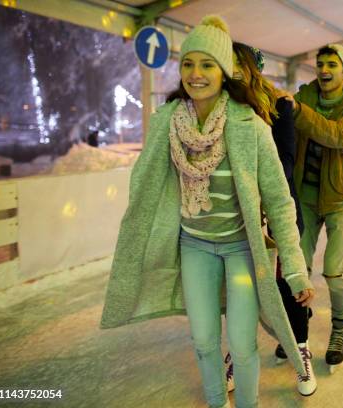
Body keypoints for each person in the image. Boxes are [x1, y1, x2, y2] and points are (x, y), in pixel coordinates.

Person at [100, 15, 314, 408]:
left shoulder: (250, 126)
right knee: (202, 342)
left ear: (224, 71)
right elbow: (145, 186)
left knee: (243, 344)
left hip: (241, 253)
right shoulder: (167, 121)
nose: (195, 74)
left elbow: (280, 201)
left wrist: (296, 268)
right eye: (187, 64)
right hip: (194, 247)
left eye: (206, 64)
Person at [224, 41, 317, 397]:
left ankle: (302, 351)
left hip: (277, 213)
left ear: (251, 68)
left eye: (237, 65)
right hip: (238, 219)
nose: (231, 73)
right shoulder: (219, 109)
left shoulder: (279, 106)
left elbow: (286, 159)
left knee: (287, 287)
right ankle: (237, 352)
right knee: (241, 289)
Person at [287, 44, 343, 372]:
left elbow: (338, 135)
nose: (324, 70)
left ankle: (339, 327)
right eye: (320, 64)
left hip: (341, 196)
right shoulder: (304, 97)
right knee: (299, 266)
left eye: (332, 65)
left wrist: (296, 112)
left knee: (335, 269)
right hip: (306, 196)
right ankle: (297, 327)